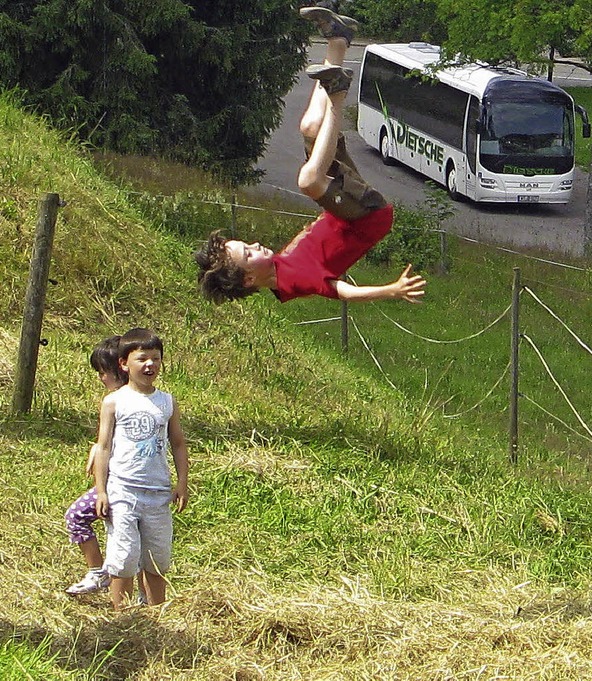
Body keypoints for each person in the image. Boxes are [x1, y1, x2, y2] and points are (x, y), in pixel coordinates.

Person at [194, 5, 426, 305]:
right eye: (249, 253)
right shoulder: (294, 283)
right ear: (249, 278)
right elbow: (341, 291)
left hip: (346, 210)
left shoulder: (278, 266)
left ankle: (338, 40)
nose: (255, 245)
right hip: (367, 218)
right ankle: (337, 92)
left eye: (247, 245)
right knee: (309, 181)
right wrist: (389, 290)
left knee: (310, 126)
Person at [93, 328, 189, 610]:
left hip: (158, 493)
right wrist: (101, 490)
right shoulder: (114, 401)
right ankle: (122, 615)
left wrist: (182, 483)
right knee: (123, 557)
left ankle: (156, 613)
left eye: (155, 359)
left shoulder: (167, 402)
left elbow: (178, 443)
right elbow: (104, 446)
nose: (150, 365)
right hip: (123, 490)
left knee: (157, 559)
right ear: (124, 363)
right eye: (142, 359)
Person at [64, 336, 125, 595]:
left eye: (103, 372)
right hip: (114, 480)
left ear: (120, 368)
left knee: (77, 516)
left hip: (120, 482)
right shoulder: (118, 399)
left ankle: (99, 573)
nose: (101, 378)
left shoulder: (120, 401)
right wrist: (96, 447)